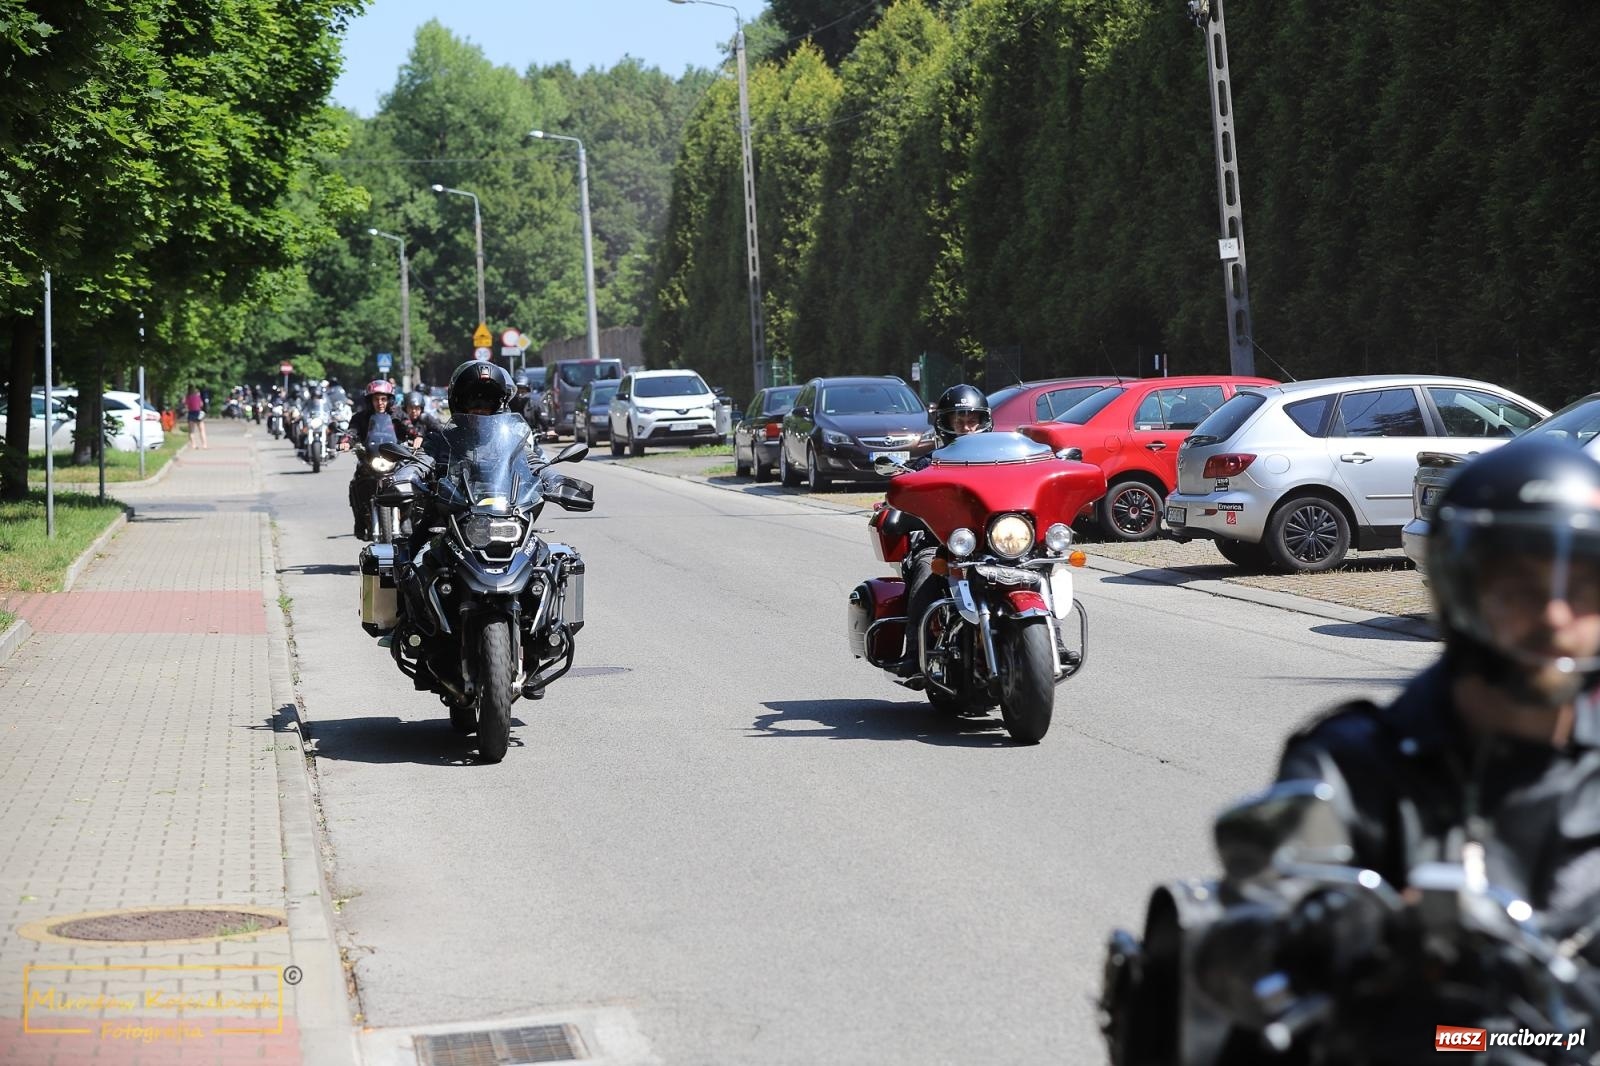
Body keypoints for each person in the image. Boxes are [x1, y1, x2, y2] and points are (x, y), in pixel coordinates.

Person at [1110, 437, 1600, 1064]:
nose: (1556, 615)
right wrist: (1345, 932)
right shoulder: (1352, 766)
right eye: (1521, 587)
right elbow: (1257, 927)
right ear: (1459, 591)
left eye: (1582, 585)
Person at [888, 384, 994, 677]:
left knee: (1036, 569)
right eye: (957, 421)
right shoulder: (929, 463)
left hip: (991, 543)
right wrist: (894, 503)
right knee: (926, 570)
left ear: (985, 421)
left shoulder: (1000, 461)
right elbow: (905, 487)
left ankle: (1053, 641)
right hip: (940, 542)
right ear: (944, 425)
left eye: (972, 419)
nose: (966, 427)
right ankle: (913, 654)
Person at [339, 380, 419, 538]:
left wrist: (416, 437)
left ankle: (406, 518)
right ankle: (360, 521)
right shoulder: (360, 417)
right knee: (356, 483)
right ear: (370, 400)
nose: (380, 403)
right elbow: (352, 432)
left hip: (395, 458)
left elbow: (410, 428)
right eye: (376, 399)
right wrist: (346, 442)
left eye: (383, 399)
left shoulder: (398, 415)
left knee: (411, 481)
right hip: (370, 458)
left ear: (389, 400)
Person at [184, 385, 208, 449]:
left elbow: (186, 406)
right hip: (198, 413)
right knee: (202, 430)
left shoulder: (188, 397)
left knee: (191, 431)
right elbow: (201, 404)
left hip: (191, 413)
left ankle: (193, 445)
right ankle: (204, 445)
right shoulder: (198, 397)